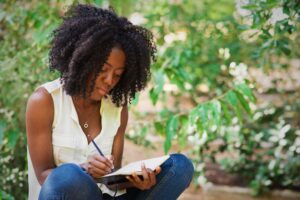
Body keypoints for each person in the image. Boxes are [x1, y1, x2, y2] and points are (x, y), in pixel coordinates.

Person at [26, 4, 194, 200]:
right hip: (65, 194)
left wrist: (136, 181)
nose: (109, 81)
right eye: (103, 70)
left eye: (117, 74)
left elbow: (113, 178)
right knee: (69, 176)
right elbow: (43, 175)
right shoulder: (45, 101)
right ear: (83, 61)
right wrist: (84, 170)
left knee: (179, 167)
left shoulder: (117, 107)